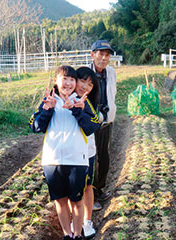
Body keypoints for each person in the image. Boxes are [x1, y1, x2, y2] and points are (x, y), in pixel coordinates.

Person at [29, 65, 100, 240]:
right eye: (64, 79)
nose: (68, 83)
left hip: (77, 160)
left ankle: (77, 235)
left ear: (75, 83)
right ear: (56, 81)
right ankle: (67, 234)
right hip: (52, 161)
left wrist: (77, 110)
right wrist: (48, 110)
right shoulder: (48, 100)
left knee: (77, 201)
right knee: (60, 201)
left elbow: (92, 127)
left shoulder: (81, 101)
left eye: (71, 80)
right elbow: (35, 126)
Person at [89, 40, 117, 210]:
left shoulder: (112, 72)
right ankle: (90, 195)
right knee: (91, 159)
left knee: (104, 158)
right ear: (92, 54)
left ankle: (99, 189)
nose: (104, 58)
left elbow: (112, 92)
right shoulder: (85, 73)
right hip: (90, 123)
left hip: (107, 121)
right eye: (100, 54)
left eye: (107, 55)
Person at [73, 66, 100, 238]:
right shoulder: (60, 100)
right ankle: (73, 220)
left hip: (87, 151)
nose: (85, 86)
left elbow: (93, 125)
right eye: (83, 81)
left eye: (90, 85)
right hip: (68, 153)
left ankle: (87, 221)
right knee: (72, 190)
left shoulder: (88, 103)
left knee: (87, 186)